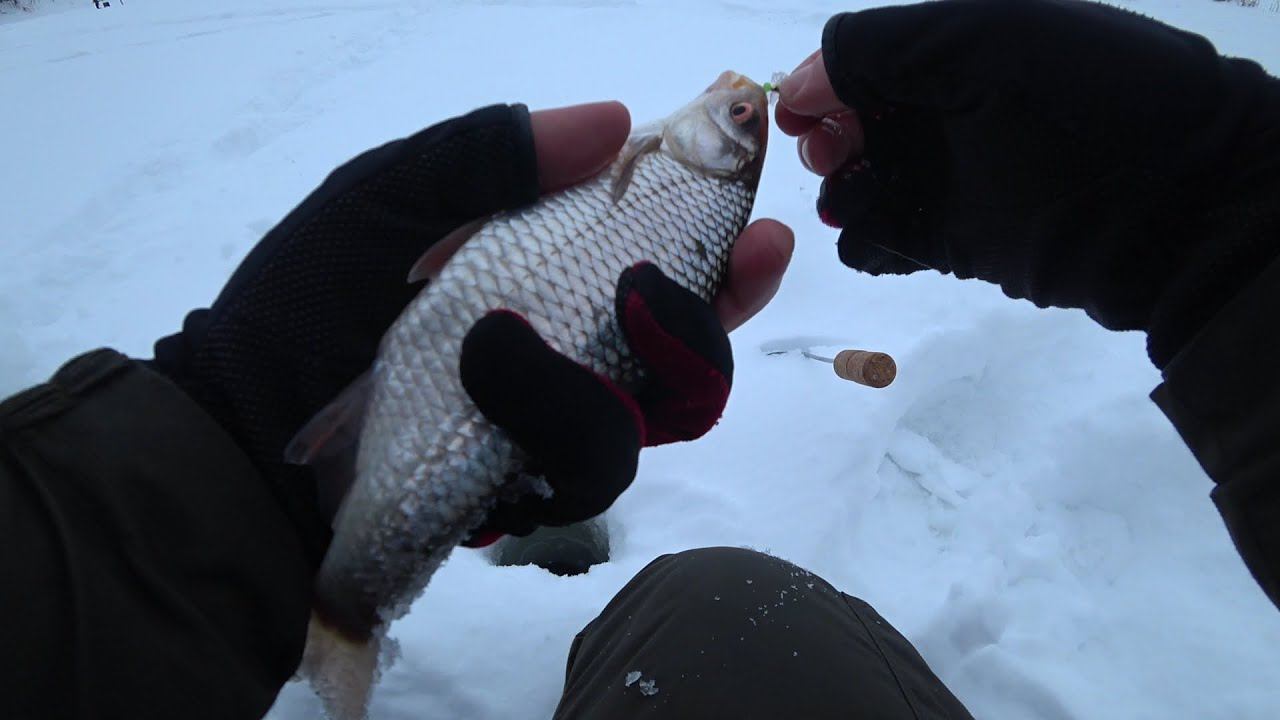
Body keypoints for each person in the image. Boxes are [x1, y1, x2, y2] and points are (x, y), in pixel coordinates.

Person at [1, 0, 1276, 717]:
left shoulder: (665, 165)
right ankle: (333, 598)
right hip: (276, 457)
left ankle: (337, 608)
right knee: (709, 602)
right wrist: (1215, 214)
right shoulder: (659, 163)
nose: (743, 113)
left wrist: (1217, 221)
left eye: (740, 122)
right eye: (739, 119)